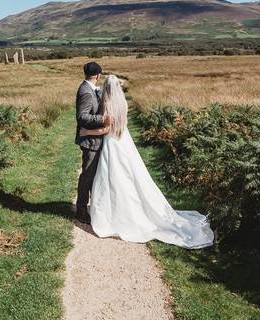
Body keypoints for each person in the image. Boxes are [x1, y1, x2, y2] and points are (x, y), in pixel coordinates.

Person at [79, 74, 215, 249]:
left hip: (112, 143)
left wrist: (88, 133)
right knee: (128, 177)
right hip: (123, 141)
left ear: (106, 88)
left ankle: (115, 214)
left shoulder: (107, 103)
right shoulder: (123, 103)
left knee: (113, 178)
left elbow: (106, 129)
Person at [74, 61, 109, 224]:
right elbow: (82, 117)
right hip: (90, 142)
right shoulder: (86, 92)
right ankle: (81, 210)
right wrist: (103, 119)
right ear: (98, 75)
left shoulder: (91, 89)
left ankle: (91, 207)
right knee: (87, 176)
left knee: (93, 176)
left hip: (95, 140)